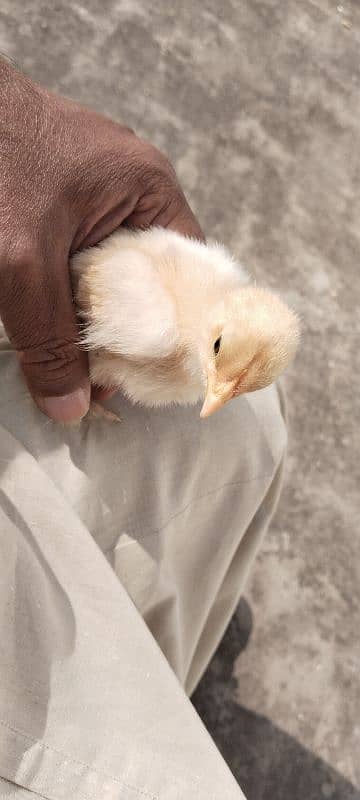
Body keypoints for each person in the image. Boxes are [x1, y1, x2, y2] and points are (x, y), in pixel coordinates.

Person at [0, 57, 287, 799]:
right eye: (226, 362)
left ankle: (156, 674)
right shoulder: (154, 320)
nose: (220, 384)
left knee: (245, 426)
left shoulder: (209, 321)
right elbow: (99, 300)